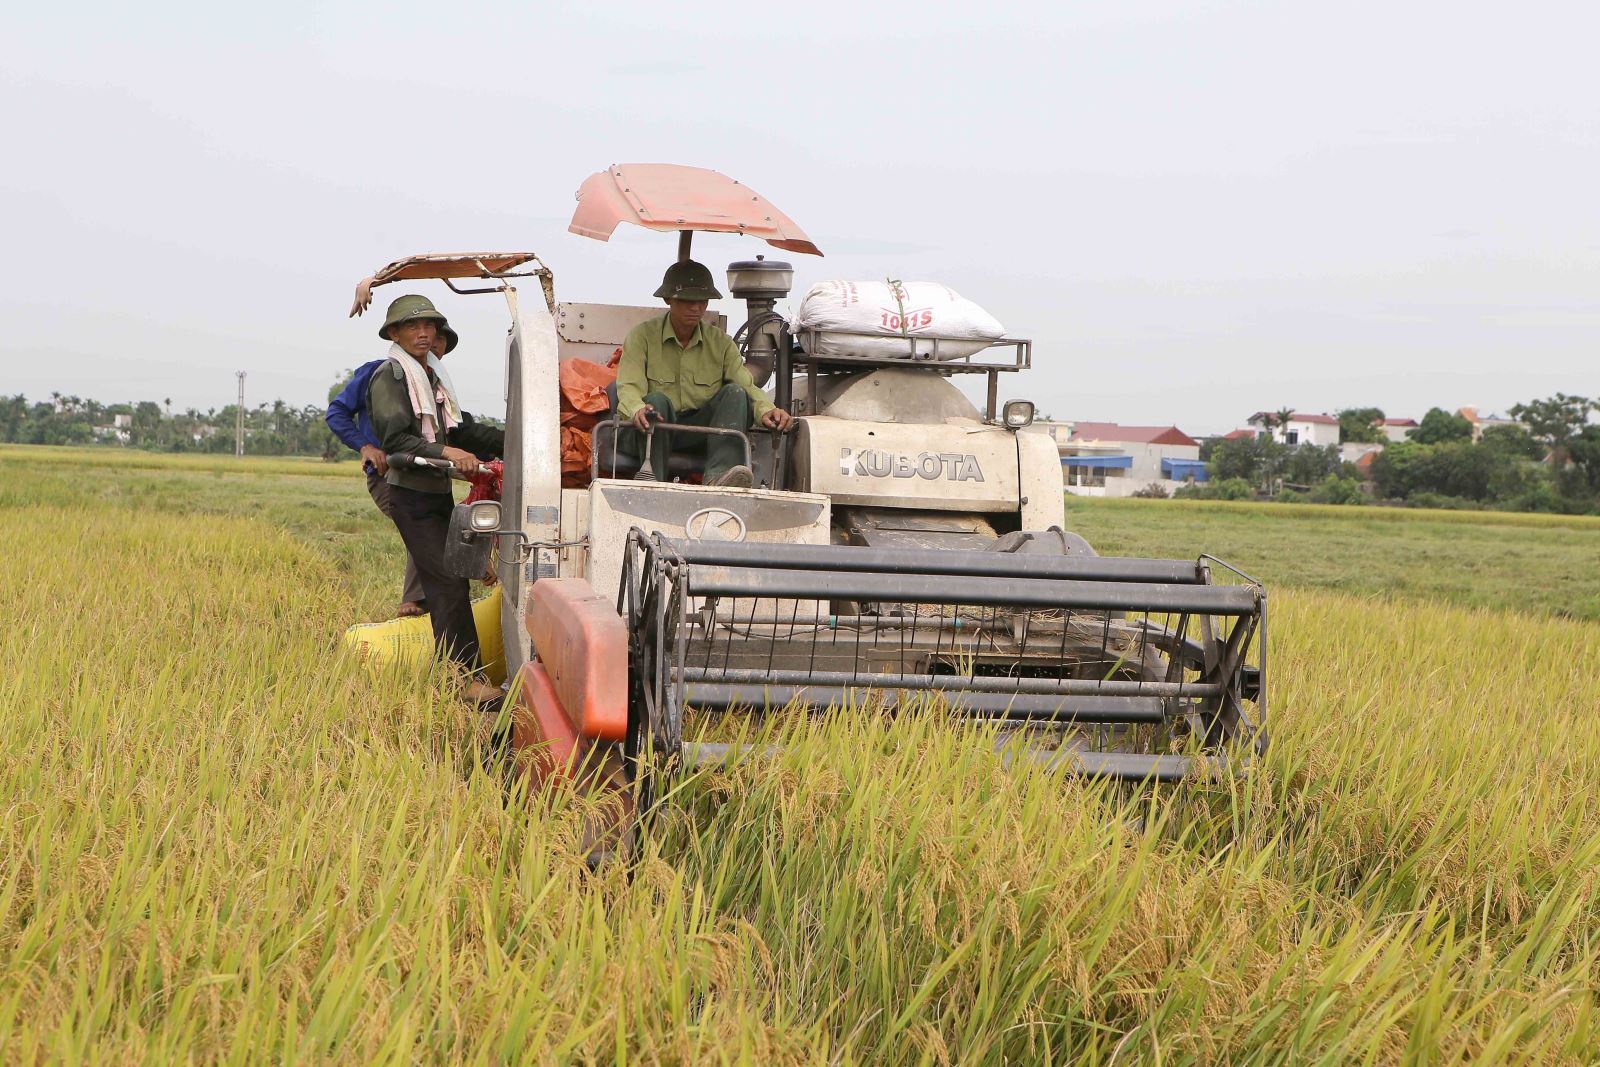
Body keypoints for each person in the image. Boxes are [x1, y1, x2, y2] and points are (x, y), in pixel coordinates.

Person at [366, 294, 505, 706]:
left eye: (429, 326)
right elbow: (396, 439)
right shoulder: (391, 376)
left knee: (454, 581)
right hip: (410, 496)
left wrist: (515, 438)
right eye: (413, 326)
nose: (424, 333)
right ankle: (464, 680)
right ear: (394, 333)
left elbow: (456, 432)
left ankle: (460, 676)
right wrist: (448, 454)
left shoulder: (431, 379)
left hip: (435, 495)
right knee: (446, 584)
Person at [615, 260, 793, 486]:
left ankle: (720, 478)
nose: (696, 308)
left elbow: (747, 386)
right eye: (687, 301)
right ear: (668, 299)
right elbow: (628, 387)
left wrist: (767, 410)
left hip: (698, 433)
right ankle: (654, 484)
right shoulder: (641, 337)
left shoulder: (720, 343)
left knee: (736, 393)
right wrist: (638, 409)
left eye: (702, 301)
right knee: (656, 402)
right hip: (649, 432)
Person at [327, 322, 461, 617]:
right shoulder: (381, 373)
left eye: (439, 346)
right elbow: (336, 412)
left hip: (428, 476)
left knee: (444, 528)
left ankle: (440, 596)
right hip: (391, 474)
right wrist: (366, 446)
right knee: (422, 529)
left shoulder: (437, 387)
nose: (432, 348)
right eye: (428, 341)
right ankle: (413, 599)